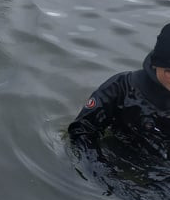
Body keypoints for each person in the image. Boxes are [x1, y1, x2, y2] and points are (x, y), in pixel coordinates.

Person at [68, 23, 170, 161]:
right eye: (169, 71)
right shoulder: (121, 88)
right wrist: (100, 172)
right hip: (115, 159)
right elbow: (82, 131)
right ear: (156, 63)